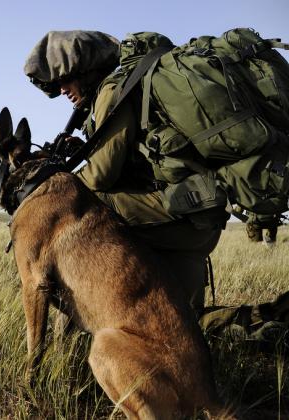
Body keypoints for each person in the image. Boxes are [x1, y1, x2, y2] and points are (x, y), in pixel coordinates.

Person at [24, 30, 228, 314]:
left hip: (181, 216)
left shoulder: (113, 91)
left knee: (86, 201)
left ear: (85, 71)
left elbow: (100, 177)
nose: (62, 90)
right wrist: (85, 148)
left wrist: (58, 184)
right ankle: (267, 322)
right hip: (194, 215)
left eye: (65, 80)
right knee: (187, 323)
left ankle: (92, 301)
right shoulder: (124, 90)